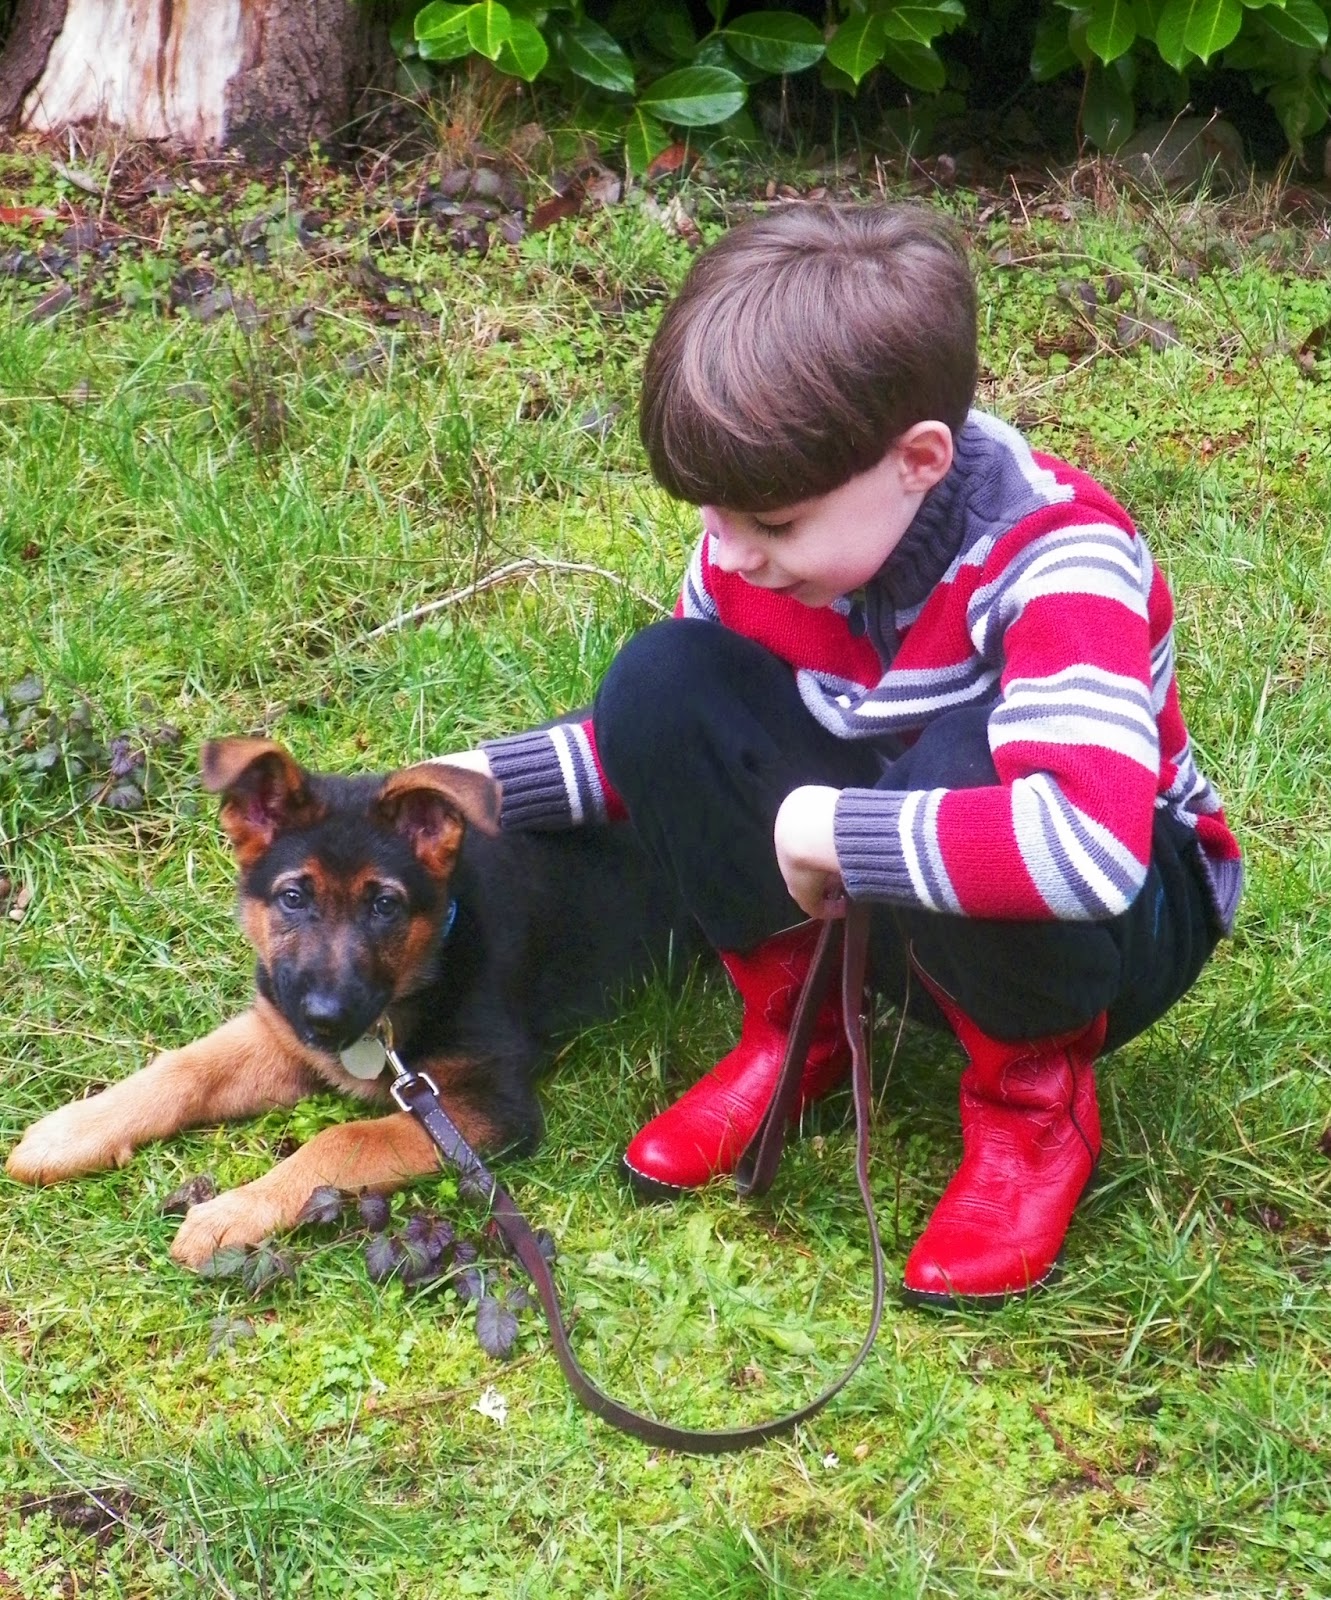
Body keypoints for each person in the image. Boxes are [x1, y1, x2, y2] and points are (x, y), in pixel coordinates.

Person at [443, 203, 1241, 1310]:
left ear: (917, 460)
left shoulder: (1057, 556)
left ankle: (1030, 1103)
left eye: (769, 524)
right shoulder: (767, 549)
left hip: (1119, 908)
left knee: (962, 761)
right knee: (659, 679)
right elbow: (672, 742)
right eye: (712, 516)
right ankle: (800, 1029)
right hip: (886, 880)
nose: (729, 552)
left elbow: (1087, 850)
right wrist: (473, 789)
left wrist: (835, 827)